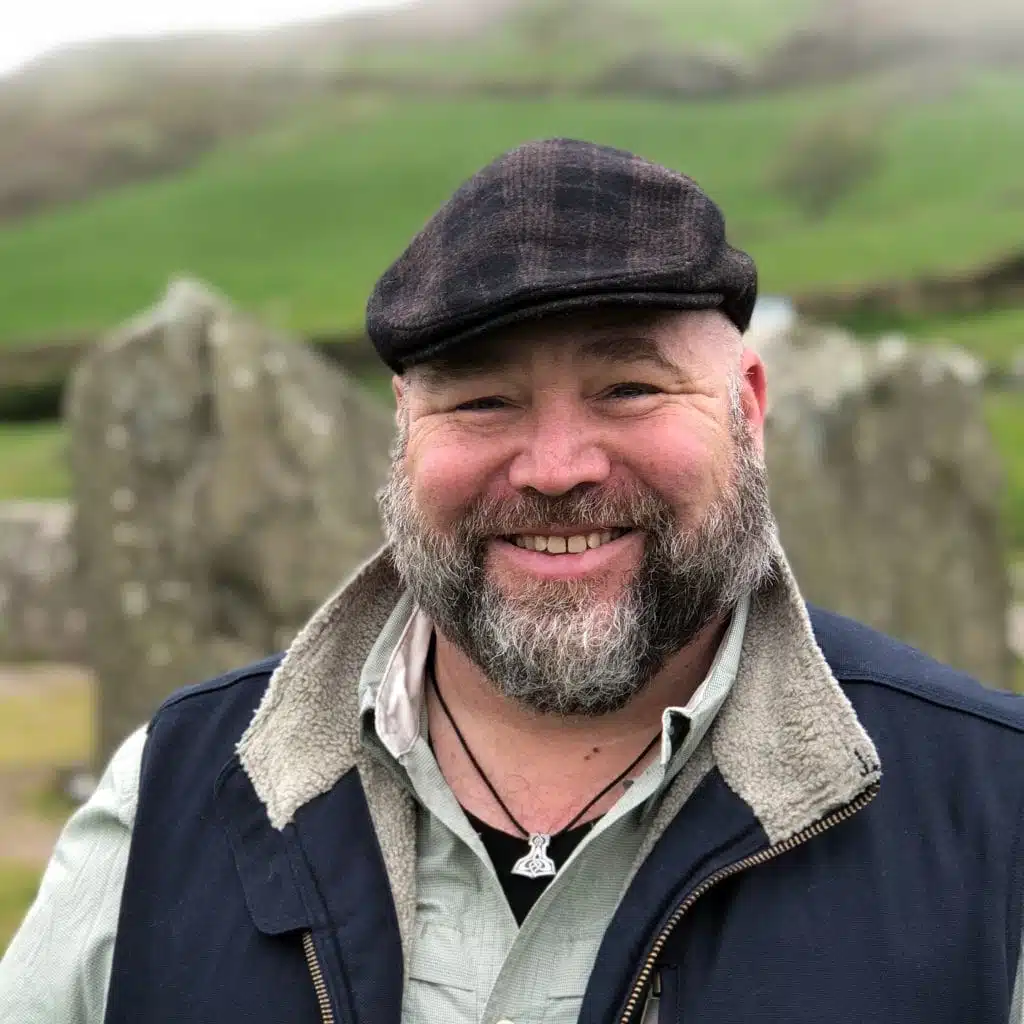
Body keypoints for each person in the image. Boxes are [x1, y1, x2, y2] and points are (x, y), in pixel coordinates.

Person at [1, 138, 1023, 1024]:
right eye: (483, 401)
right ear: (404, 433)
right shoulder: (173, 793)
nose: (555, 465)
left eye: (627, 387)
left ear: (747, 411)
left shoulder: (992, 812)